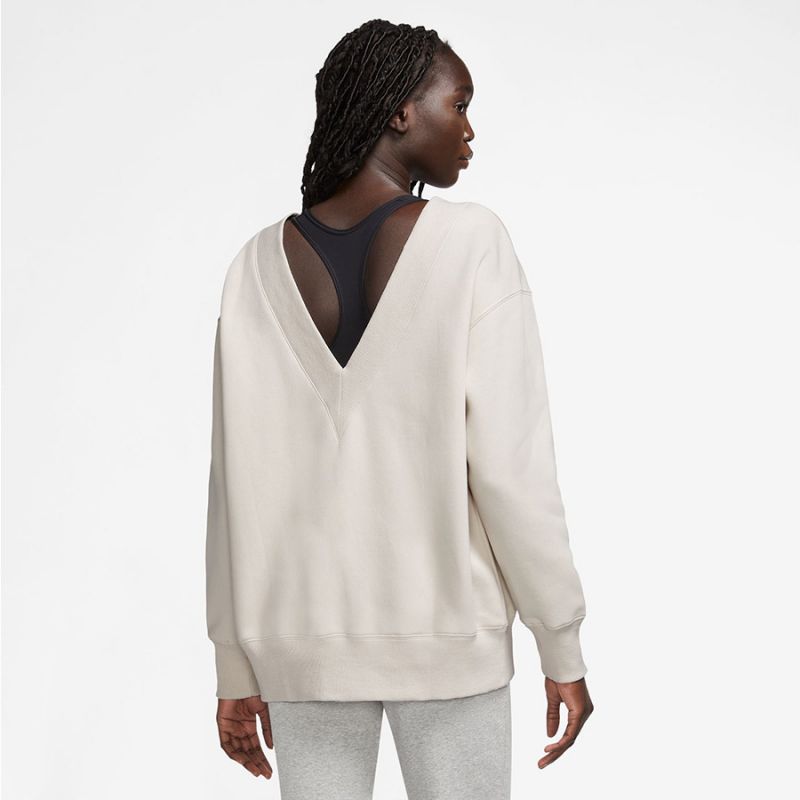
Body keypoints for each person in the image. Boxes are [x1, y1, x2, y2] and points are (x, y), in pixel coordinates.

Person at [205, 18, 594, 800]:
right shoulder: (472, 242)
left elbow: (232, 485)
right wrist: (561, 642)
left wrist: (236, 665)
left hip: (303, 645)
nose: (470, 129)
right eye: (460, 104)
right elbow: (511, 469)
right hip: (447, 640)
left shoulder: (253, 266)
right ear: (401, 111)